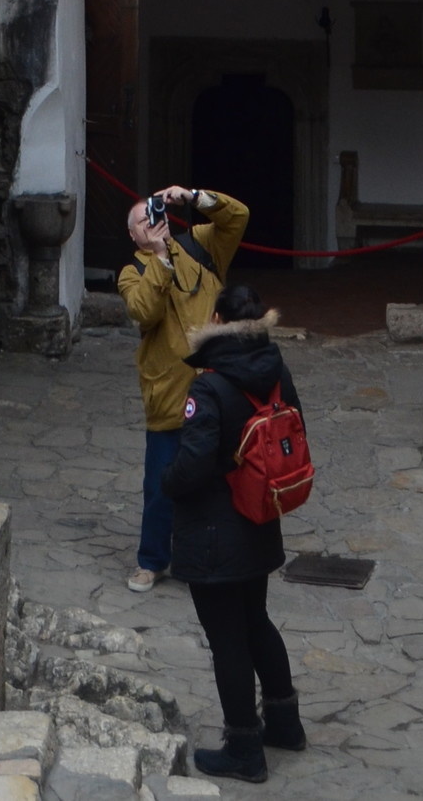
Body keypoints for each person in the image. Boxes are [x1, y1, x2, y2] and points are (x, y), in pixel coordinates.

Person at [163, 281, 308, 782]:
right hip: (260, 517)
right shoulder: (276, 371)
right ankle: (285, 723)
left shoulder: (209, 385)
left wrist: (168, 483)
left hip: (213, 531)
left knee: (227, 639)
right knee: (256, 620)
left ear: (219, 323)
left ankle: (243, 748)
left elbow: (195, 464)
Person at [116, 182, 249, 594]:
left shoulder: (202, 247)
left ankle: (219, 557)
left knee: (224, 477)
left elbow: (238, 217)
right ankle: (151, 562)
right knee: (161, 483)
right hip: (170, 393)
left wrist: (193, 198)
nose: (151, 223)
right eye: (142, 222)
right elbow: (145, 310)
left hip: (216, 386)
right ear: (135, 236)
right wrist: (159, 259)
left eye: (154, 213)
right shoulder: (132, 273)